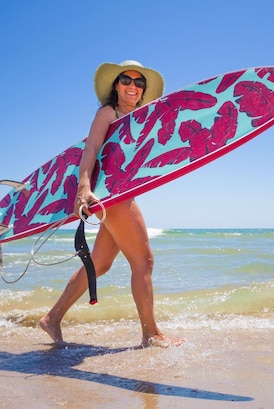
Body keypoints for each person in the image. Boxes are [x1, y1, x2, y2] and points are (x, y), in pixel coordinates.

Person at [39, 60, 184, 348]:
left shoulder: (141, 118)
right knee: (144, 262)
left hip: (122, 193)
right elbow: (91, 148)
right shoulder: (108, 112)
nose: (132, 86)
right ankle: (151, 334)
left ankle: (52, 318)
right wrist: (83, 186)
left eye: (138, 82)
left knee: (100, 263)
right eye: (126, 80)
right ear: (115, 86)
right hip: (110, 197)